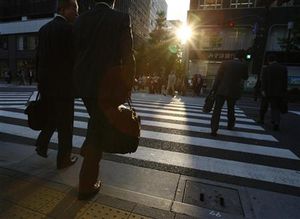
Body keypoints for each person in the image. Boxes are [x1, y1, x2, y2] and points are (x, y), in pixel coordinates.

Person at [73, 0, 135, 200]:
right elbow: (128, 55)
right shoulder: (120, 18)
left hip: (84, 83)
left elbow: (75, 51)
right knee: (97, 129)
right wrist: (127, 85)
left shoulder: (81, 20)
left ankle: (88, 177)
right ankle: (86, 184)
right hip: (108, 85)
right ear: (113, 1)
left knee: (96, 123)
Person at [35, 0, 79, 169]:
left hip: (46, 84)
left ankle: (42, 143)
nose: (76, 12)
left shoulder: (44, 29)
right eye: (73, 8)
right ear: (63, 9)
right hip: (64, 85)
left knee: (53, 116)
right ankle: (63, 159)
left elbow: (38, 58)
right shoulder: (70, 30)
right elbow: (74, 58)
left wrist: (39, 81)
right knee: (66, 124)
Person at [210, 50, 248, 136]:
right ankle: (230, 125)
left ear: (235, 55)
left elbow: (218, 77)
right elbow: (245, 77)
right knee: (231, 109)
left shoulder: (225, 63)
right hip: (234, 91)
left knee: (217, 109)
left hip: (221, 90)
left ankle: (214, 129)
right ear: (242, 57)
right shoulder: (243, 65)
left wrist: (214, 88)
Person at [260, 54, 288, 131]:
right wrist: (284, 91)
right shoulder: (283, 68)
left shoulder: (266, 68)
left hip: (267, 91)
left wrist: (263, 90)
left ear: (269, 60)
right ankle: (276, 122)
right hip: (279, 92)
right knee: (276, 108)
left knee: (264, 106)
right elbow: (285, 82)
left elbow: (264, 81)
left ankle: (261, 119)